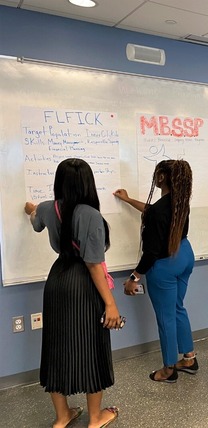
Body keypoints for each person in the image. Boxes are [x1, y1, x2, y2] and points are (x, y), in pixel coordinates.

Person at [24, 158, 121, 428]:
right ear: (88, 184)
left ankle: (62, 416)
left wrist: (30, 208)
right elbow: (93, 264)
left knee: (55, 347)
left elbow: (35, 220)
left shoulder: (46, 208)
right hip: (83, 284)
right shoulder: (91, 215)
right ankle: (96, 418)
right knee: (93, 348)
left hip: (57, 281)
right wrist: (110, 304)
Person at [113, 159, 197, 383]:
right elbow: (152, 211)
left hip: (164, 264)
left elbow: (150, 254)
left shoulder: (159, 211)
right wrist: (128, 200)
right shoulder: (180, 202)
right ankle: (189, 358)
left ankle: (169, 370)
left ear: (161, 177)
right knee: (178, 308)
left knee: (165, 317)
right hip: (185, 255)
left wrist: (133, 278)